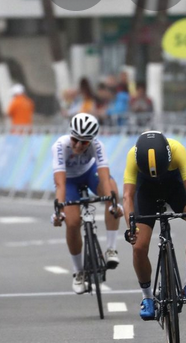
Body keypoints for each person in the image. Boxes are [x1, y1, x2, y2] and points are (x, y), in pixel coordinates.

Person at [123, 131, 186, 320]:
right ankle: (147, 297)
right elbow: (128, 196)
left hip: (174, 188)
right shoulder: (132, 155)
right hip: (146, 193)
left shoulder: (177, 150)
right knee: (138, 247)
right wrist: (131, 227)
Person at [52, 113, 123, 294]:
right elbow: (60, 183)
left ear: (91, 141)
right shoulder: (60, 146)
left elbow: (105, 179)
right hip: (68, 181)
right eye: (75, 139)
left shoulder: (98, 146)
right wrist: (59, 210)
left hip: (89, 173)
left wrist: (113, 203)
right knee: (73, 222)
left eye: (84, 142)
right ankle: (78, 272)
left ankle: (111, 250)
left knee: (112, 191)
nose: (77, 145)